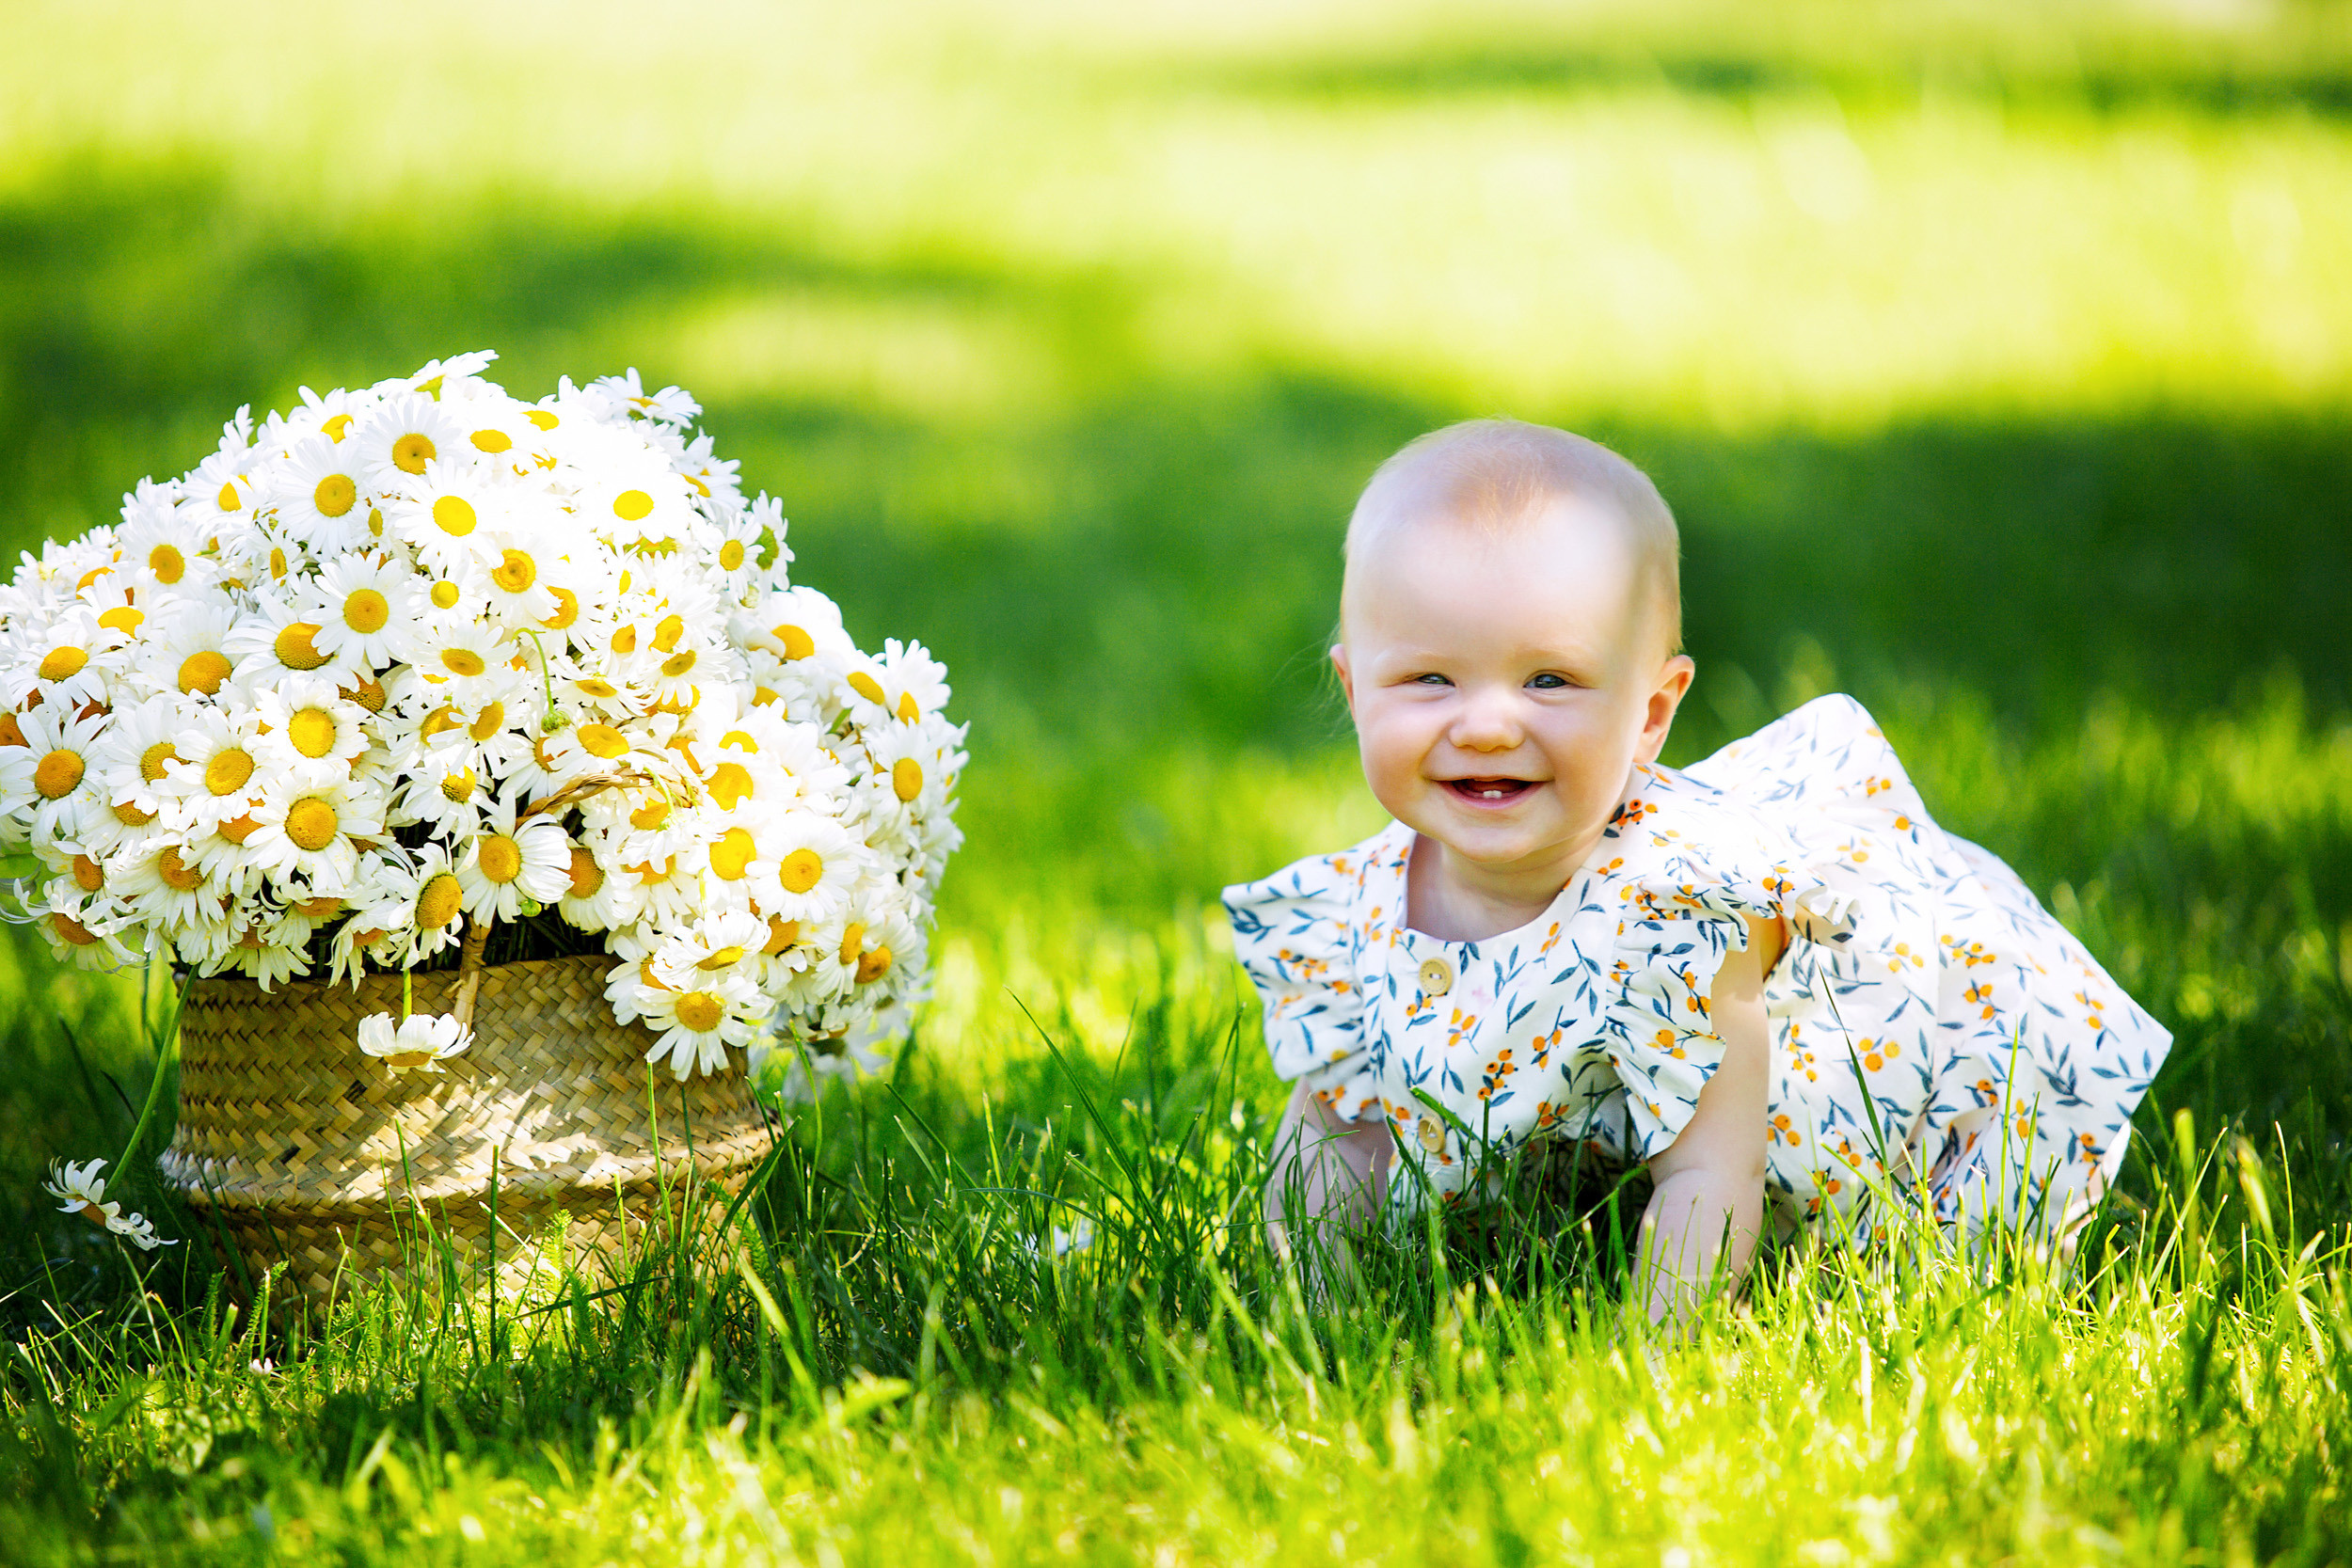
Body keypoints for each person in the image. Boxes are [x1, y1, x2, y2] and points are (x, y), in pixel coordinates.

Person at [1223, 419, 2171, 1326]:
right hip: (1612, 1128)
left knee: (1906, 1241)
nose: (1485, 723)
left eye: (1549, 678)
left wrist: (1652, 1360)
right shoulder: (1353, 911)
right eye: (1429, 678)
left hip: (1879, 1104)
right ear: (1355, 691)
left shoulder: (1680, 916)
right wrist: (1305, 1313)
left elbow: (1709, 1175)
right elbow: (1337, 1130)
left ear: (1649, 711)